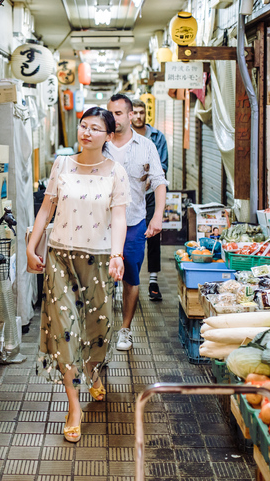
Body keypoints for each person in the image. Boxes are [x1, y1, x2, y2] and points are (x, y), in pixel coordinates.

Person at [27, 107, 128, 443]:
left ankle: (94, 372)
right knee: (64, 330)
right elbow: (46, 209)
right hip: (60, 256)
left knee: (97, 328)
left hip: (99, 258)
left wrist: (117, 254)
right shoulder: (63, 165)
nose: (86, 132)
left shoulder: (117, 172)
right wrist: (32, 246)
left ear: (108, 136)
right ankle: (74, 406)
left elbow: (120, 217)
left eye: (95, 128)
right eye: (83, 126)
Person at [106, 94, 168, 352]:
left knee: (131, 276)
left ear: (131, 115)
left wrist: (157, 216)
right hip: (100, 225)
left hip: (133, 222)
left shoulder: (146, 145)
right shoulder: (100, 144)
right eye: (110, 114)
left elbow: (159, 182)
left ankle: (125, 329)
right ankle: (101, 328)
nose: (113, 119)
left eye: (118, 114)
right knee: (100, 277)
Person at [131, 99, 168, 302]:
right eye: (134, 112)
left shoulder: (156, 137)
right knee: (129, 234)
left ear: (146, 114)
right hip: (129, 196)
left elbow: (161, 167)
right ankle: (126, 278)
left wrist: (147, 179)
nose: (138, 116)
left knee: (153, 235)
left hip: (151, 195)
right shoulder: (123, 137)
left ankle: (153, 280)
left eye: (141, 112)